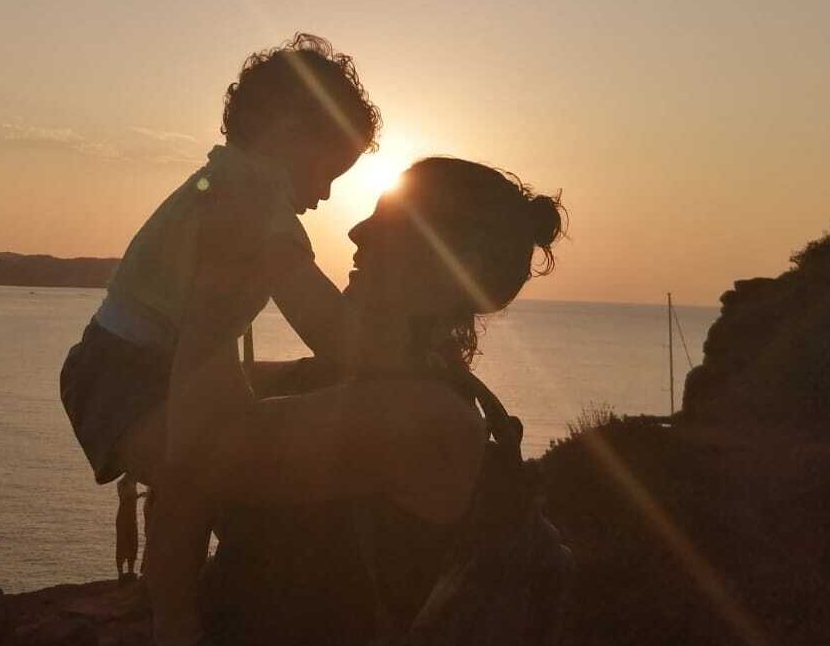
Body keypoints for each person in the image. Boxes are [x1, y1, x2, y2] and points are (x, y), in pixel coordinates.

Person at [149, 157, 566, 646]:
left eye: (390, 222)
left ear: (458, 266)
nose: (356, 232)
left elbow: (200, 448)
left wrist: (219, 277)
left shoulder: (426, 419)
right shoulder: (352, 378)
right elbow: (175, 403)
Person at [59, 33, 380, 573]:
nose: (325, 195)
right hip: (129, 378)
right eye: (327, 173)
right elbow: (322, 321)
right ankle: (177, 619)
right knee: (203, 476)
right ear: (289, 133)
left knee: (233, 444)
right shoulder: (254, 204)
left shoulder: (226, 179)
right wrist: (388, 355)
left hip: (121, 364)